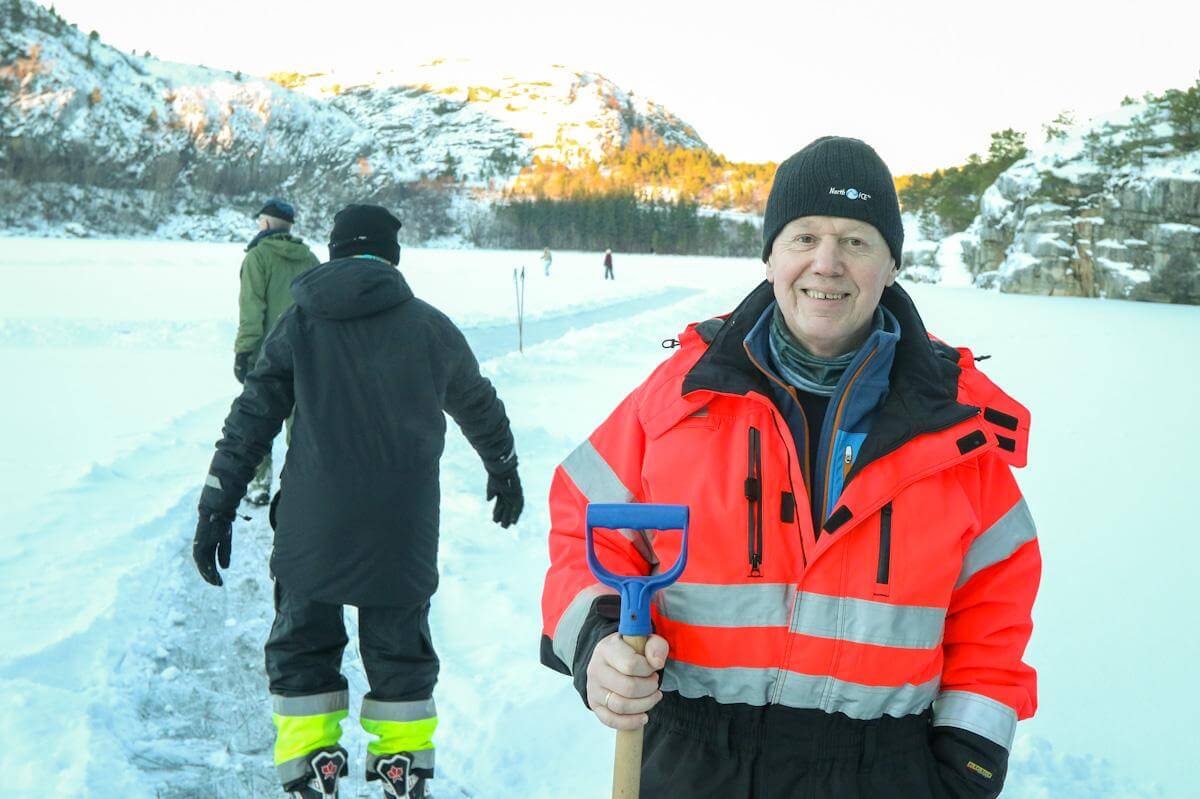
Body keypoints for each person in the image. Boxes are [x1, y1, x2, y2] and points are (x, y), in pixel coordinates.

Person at [540, 137, 1039, 798]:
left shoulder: (958, 432)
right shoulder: (680, 398)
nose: (826, 264)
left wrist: (968, 762)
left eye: (856, 242)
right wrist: (598, 639)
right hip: (693, 759)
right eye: (803, 236)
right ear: (770, 255)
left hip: (879, 771)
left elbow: (994, 609)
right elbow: (584, 527)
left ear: (892, 264)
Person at [194, 204, 525, 799]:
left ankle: (311, 764)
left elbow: (250, 419)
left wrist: (217, 504)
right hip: (401, 529)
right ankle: (400, 766)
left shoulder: (298, 323)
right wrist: (503, 470)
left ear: (336, 249)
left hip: (312, 524)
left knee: (302, 645)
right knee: (400, 654)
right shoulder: (429, 326)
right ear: (392, 256)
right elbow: (479, 404)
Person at [233, 198, 320, 505]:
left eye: (261, 221)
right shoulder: (309, 258)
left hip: (267, 358)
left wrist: (244, 352)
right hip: (306, 355)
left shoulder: (258, 257)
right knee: (302, 426)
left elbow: (252, 311)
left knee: (259, 421)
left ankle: (258, 487)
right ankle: (301, 488)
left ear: (267, 223)